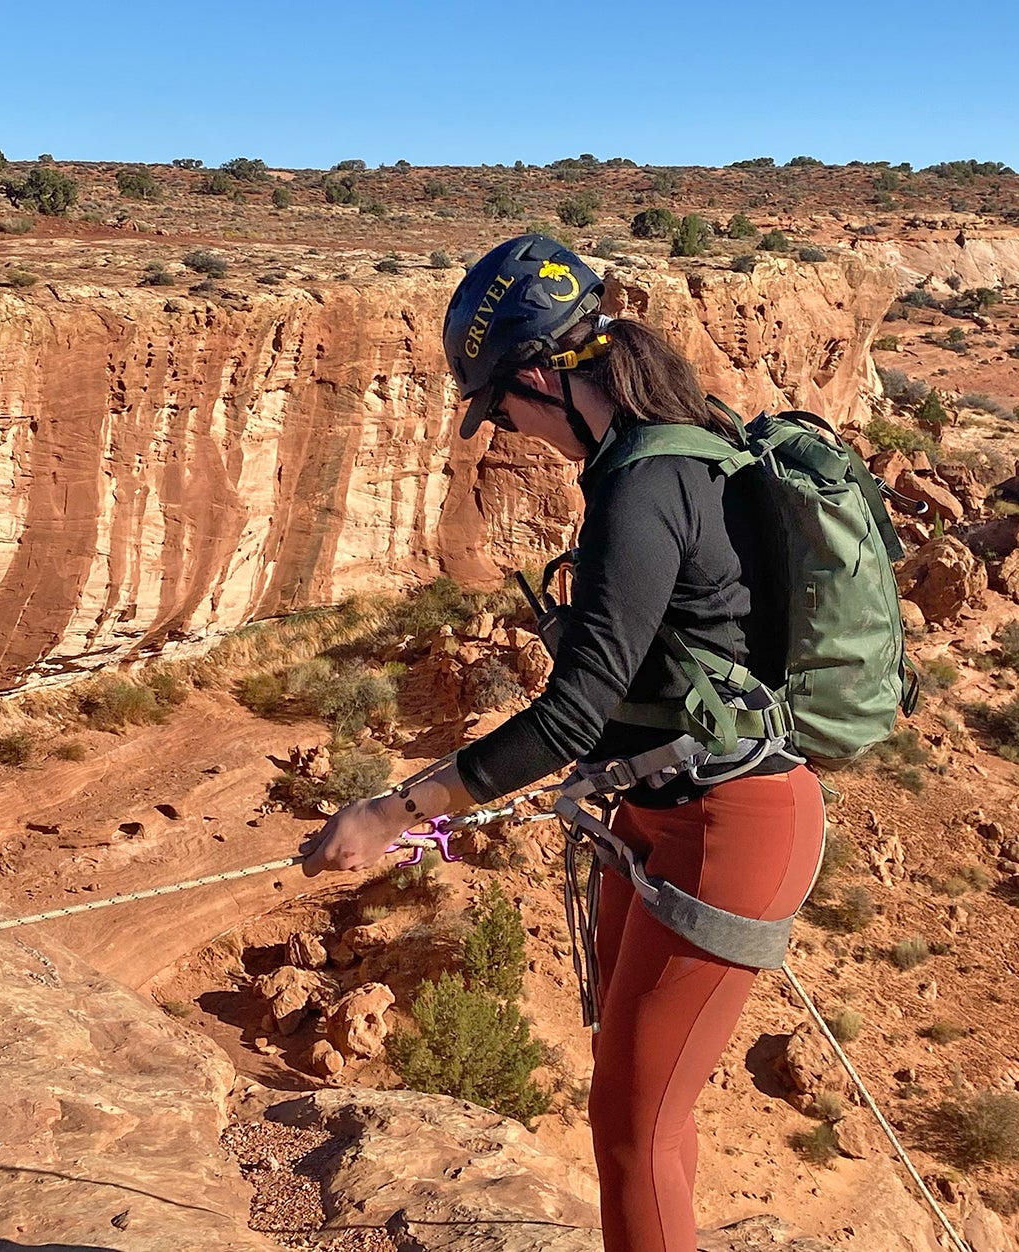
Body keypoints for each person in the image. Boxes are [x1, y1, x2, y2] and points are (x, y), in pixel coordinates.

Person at [301, 234, 825, 1252]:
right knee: (637, 1109)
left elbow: (570, 716)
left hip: (728, 826)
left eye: (500, 410)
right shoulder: (667, 446)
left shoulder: (644, 483)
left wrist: (393, 814)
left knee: (633, 1127)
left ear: (540, 374)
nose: (508, 431)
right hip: (668, 812)